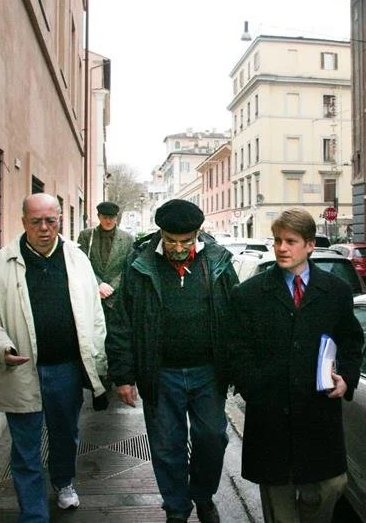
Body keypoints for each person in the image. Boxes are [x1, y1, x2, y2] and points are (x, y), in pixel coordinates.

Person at [0, 193, 108, 522]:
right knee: (25, 448)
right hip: (20, 370)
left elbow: (95, 316)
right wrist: (2, 347)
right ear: (24, 223)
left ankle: (63, 483)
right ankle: (33, 515)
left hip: (66, 370)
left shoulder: (78, 260)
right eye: (36, 221)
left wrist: (98, 364)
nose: (44, 228)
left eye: (51, 220)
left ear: (60, 219)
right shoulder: (0, 263)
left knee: (64, 436)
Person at [106, 199, 238, 523]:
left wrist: (240, 367)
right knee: (167, 446)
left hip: (208, 373)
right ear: (160, 233)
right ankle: (177, 509)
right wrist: (123, 375)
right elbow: (121, 321)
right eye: (171, 240)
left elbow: (237, 315)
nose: (178, 248)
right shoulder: (139, 264)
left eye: (186, 241)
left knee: (212, 437)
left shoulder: (218, 261)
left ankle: (203, 495)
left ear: (198, 234)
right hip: (160, 373)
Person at [229, 208, 363, 523]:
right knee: (279, 503)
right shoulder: (249, 294)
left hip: (318, 412)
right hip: (270, 415)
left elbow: (351, 342)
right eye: (277, 240)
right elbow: (236, 350)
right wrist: (255, 390)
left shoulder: (336, 291)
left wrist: (346, 379)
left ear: (310, 245)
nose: (281, 248)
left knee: (332, 485)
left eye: (290, 241)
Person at [77, 201, 134, 354]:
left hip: (116, 298)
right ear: (99, 217)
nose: (108, 221)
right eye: (104, 217)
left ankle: (114, 372)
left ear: (117, 217)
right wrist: (98, 284)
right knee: (93, 335)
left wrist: (112, 286)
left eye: (112, 217)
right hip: (93, 296)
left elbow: (130, 267)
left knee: (117, 338)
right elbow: (80, 263)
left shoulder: (128, 238)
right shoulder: (86, 236)